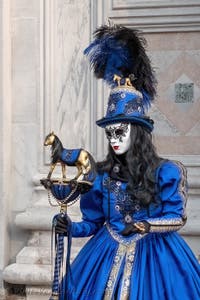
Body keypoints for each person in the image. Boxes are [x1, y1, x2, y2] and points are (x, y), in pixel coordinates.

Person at [54, 25, 200, 299]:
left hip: (156, 256)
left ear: (137, 131)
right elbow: (94, 222)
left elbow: (177, 217)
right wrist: (70, 228)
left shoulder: (166, 172)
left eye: (120, 131)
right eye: (110, 133)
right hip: (105, 251)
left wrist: (147, 226)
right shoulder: (102, 176)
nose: (114, 139)